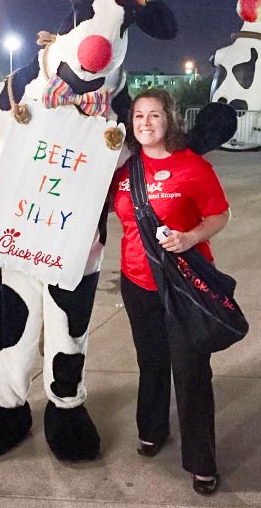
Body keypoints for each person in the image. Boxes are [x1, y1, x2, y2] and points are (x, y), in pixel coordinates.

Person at [113, 89, 230, 495]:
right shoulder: (124, 171)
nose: (145, 123)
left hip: (184, 284)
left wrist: (191, 236)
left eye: (155, 115)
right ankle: (152, 429)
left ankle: (202, 461)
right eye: (139, 116)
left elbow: (220, 214)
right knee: (152, 360)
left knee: (191, 370)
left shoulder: (192, 166)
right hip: (137, 282)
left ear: (170, 120)